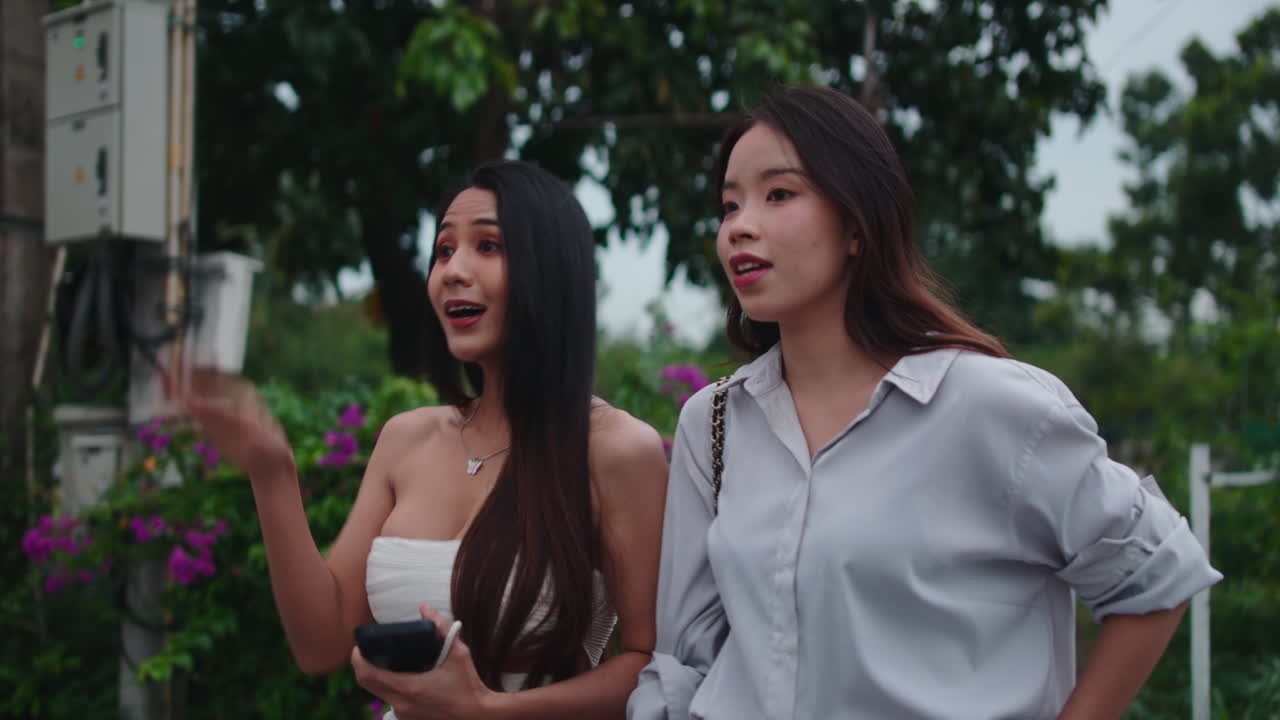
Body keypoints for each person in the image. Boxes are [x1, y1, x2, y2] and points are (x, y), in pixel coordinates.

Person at [627, 87, 1222, 720]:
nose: (739, 226)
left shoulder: (990, 406)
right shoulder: (714, 423)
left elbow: (1155, 577)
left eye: (779, 194)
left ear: (858, 224)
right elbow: (688, 660)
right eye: (729, 204)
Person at [186, 160, 668, 719]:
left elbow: (651, 665)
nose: (452, 271)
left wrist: (485, 711)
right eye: (443, 251)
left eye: (488, 246)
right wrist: (271, 471)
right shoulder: (406, 438)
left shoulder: (616, 448)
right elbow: (320, 644)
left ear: (550, 270)